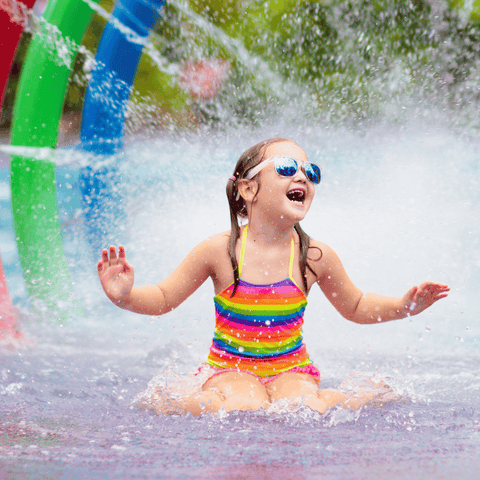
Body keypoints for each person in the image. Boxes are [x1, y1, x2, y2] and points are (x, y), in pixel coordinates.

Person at [97, 138, 449, 416]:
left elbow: (355, 305)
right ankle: (176, 401)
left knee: (304, 409)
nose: (301, 177)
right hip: (231, 367)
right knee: (244, 407)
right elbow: (163, 297)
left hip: (291, 367)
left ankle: (342, 398)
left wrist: (405, 306)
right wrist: (125, 297)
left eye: (310, 172)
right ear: (249, 190)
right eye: (285, 168)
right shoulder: (219, 251)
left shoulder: (314, 257)